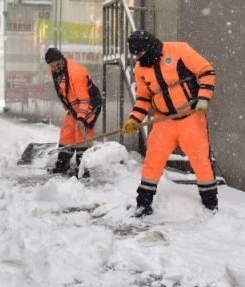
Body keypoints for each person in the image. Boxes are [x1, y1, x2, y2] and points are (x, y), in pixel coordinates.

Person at [121, 30, 217, 217]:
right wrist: (134, 119)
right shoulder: (141, 68)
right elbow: (144, 98)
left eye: (140, 53)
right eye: (135, 55)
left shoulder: (179, 50)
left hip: (191, 117)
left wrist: (204, 98)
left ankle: (210, 205)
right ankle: (143, 203)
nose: (138, 58)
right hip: (163, 120)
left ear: (149, 47)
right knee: (152, 161)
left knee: (201, 161)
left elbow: (206, 71)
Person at [44, 48, 102, 175]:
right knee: (67, 133)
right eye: (53, 66)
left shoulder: (76, 73)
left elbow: (84, 99)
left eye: (58, 64)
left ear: (62, 59)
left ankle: (83, 169)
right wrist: (67, 104)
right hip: (75, 106)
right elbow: (64, 90)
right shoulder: (55, 71)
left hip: (90, 103)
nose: (56, 68)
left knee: (82, 134)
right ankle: (62, 164)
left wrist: (81, 119)